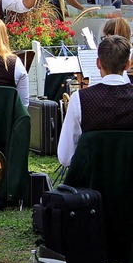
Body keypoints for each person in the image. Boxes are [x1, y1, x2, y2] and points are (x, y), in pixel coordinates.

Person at [57, 36, 133, 167]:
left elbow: (65, 157)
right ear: (128, 64)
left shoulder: (79, 99)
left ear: (98, 63)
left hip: (91, 183)